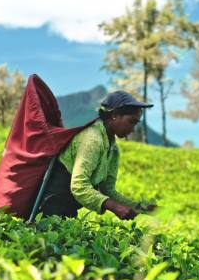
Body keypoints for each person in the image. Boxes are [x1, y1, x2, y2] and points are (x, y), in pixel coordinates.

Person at [38, 90, 157, 220]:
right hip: (50, 206)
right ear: (115, 115)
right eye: (131, 121)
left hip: (68, 208)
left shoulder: (113, 149)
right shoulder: (92, 139)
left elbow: (108, 190)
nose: (133, 128)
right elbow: (79, 186)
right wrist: (114, 207)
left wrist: (140, 207)